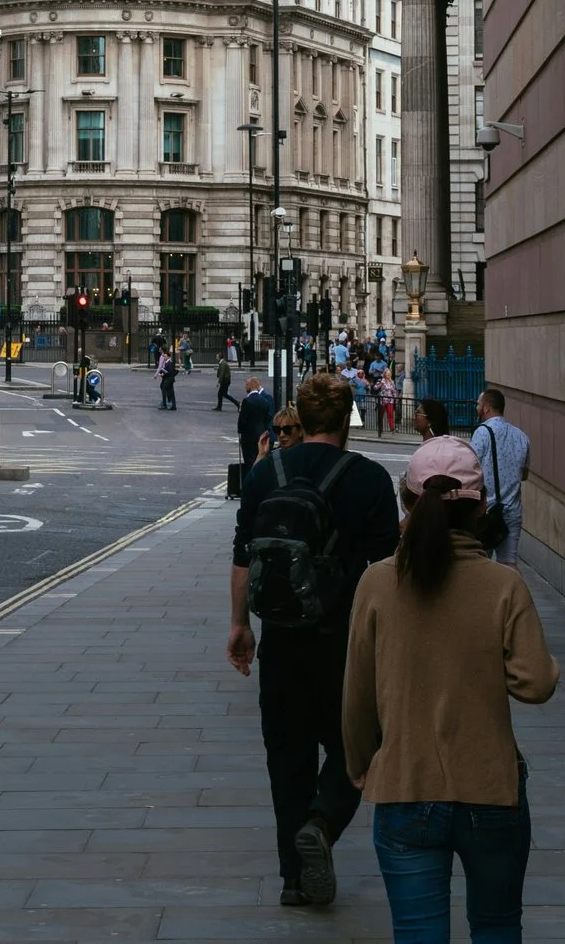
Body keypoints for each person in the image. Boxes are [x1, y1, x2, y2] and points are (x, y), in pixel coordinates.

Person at [342, 435, 559, 941]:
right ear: (481, 506)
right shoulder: (503, 585)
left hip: (404, 786)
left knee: (418, 933)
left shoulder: (376, 582)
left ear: (406, 503)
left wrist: (359, 765)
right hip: (491, 789)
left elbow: (356, 693)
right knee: (497, 926)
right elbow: (536, 684)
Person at [228, 372, 400, 908]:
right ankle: (323, 823)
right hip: (345, 644)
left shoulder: (265, 475)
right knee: (359, 747)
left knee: (287, 759)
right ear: (348, 416)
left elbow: (242, 556)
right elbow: (388, 569)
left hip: (281, 638)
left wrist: (240, 626)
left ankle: (294, 880)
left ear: (299, 417)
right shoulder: (370, 479)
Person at [468, 389, 530, 567]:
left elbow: (471, 465)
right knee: (509, 564)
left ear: (486, 407)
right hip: (512, 511)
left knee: (479, 564)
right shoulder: (521, 436)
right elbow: (524, 475)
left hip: (486, 512)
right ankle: (516, 594)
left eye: (478, 404)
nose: (477, 408)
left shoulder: (482, 432)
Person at [236, 377, 274, 468]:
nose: (245, 387)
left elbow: (242, 421)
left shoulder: (247, 401)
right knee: (260, 462)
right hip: (261, 437)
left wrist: (240, 430)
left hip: (248, 438)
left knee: (250, 463)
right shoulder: (264, 401)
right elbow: (268, 418)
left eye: (246, 385)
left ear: (251, 385)